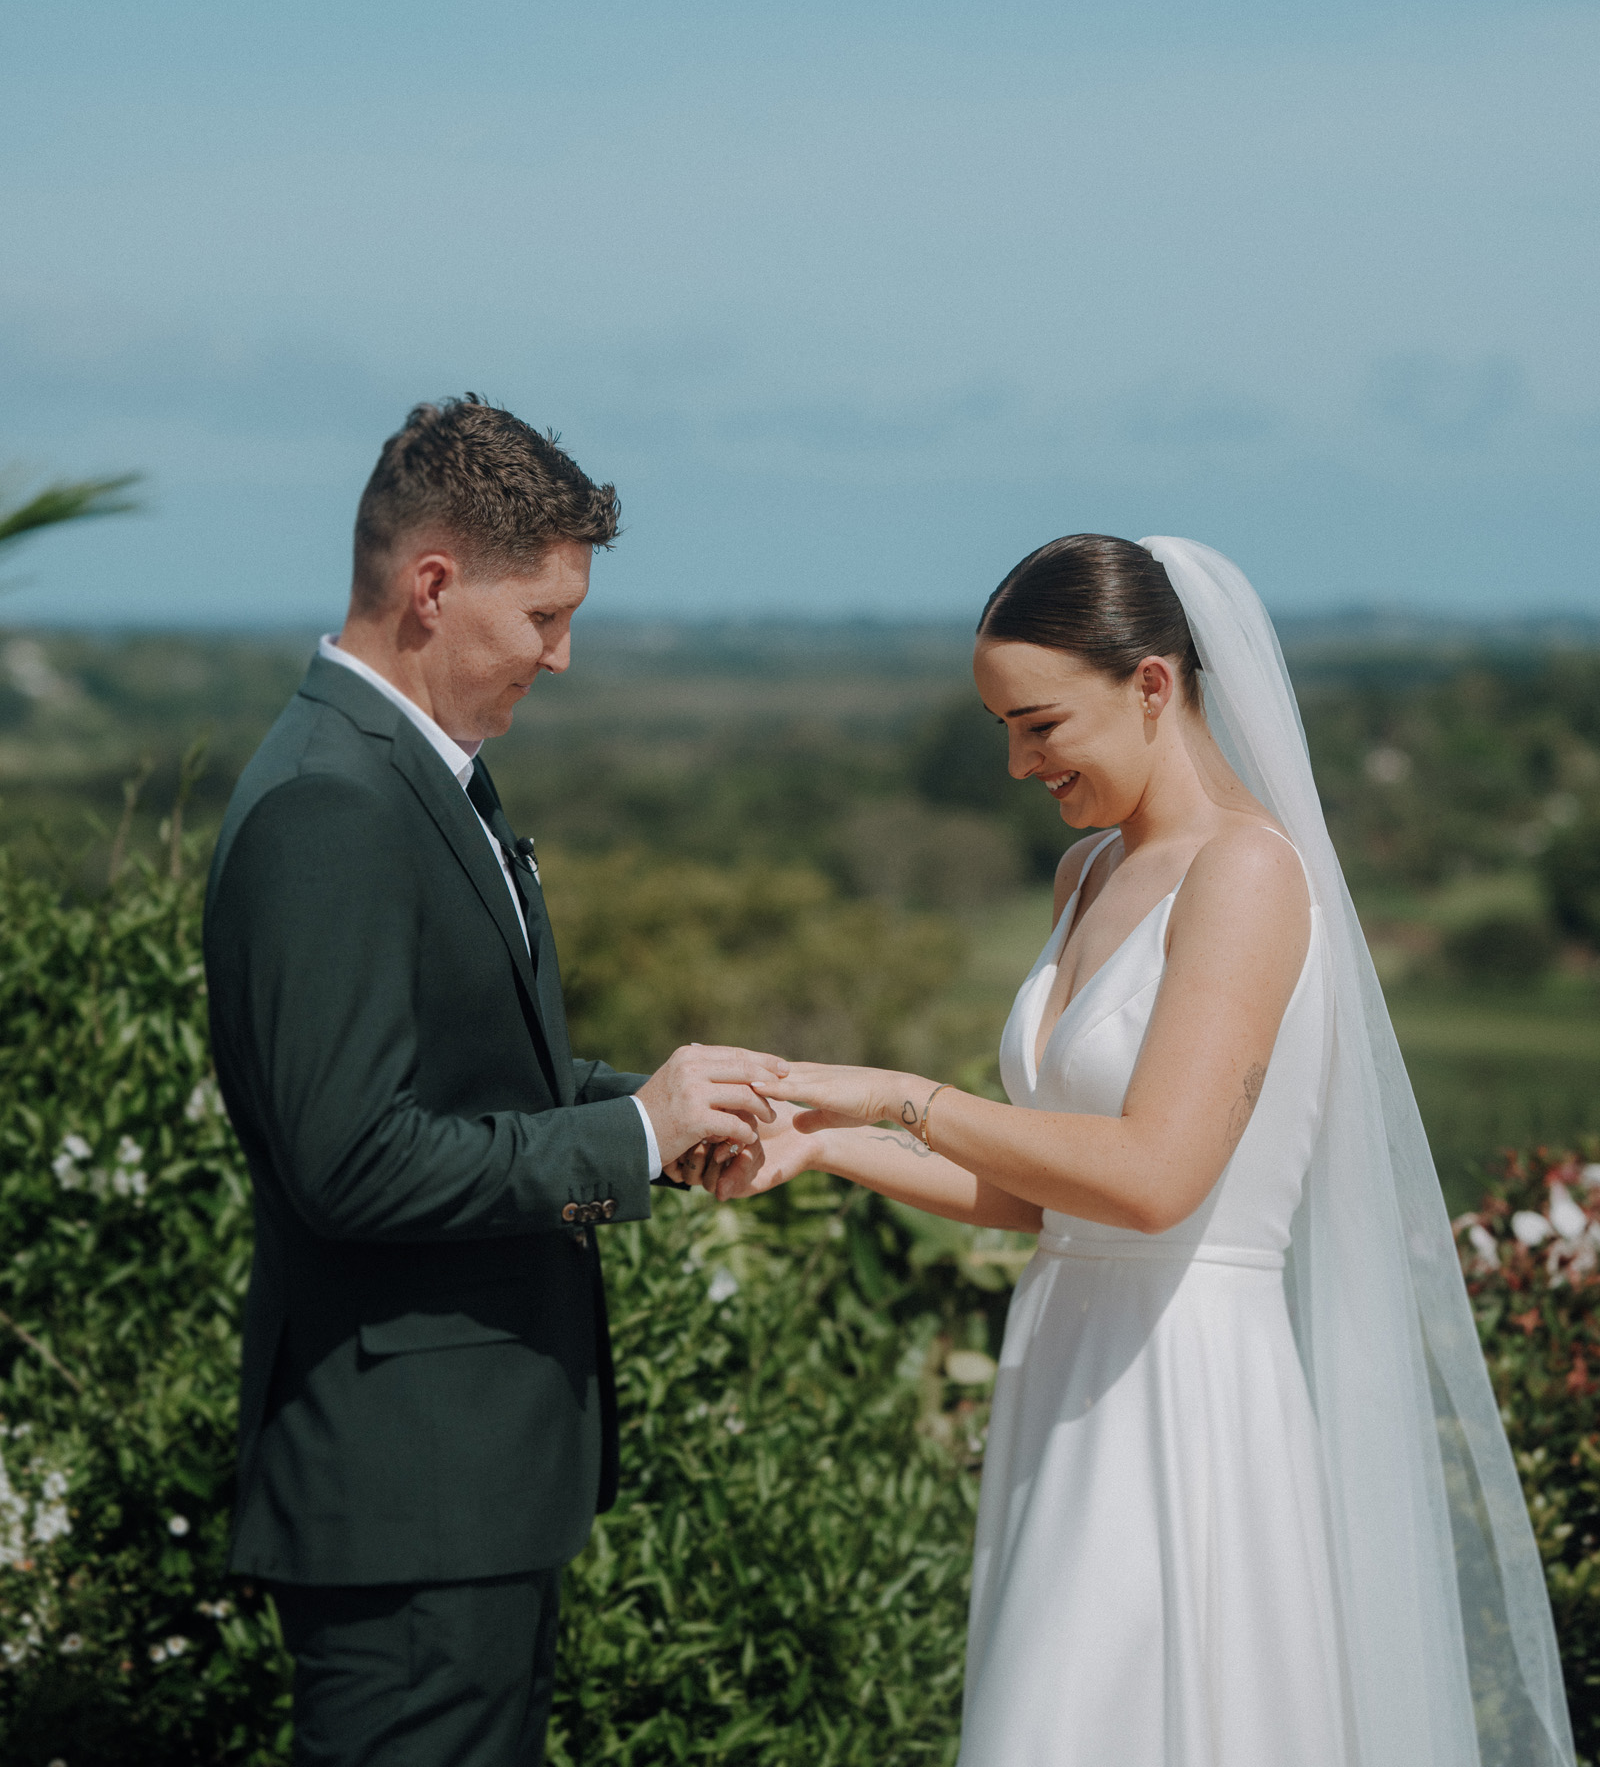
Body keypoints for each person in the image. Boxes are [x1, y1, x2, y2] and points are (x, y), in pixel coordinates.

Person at [715, 534, 1575, 1767]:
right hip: (1067, 1363)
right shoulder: (1088, 871)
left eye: (1039, 723)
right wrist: (818, 1144)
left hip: (1183, 1379)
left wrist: (900, 1094)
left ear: (1154, 686)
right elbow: (1044, 1195)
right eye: (1003, 729)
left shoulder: (1248, 875)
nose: (1018, 762)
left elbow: (1157, 1180)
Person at [203, 397, 784, 1767]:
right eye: (543, 618)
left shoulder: (413, 773)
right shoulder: (330, 805)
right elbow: (351, 1160)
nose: (562, 657)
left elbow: (472, 1076)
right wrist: (629, 1138)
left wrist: (662, 1107)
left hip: (465, 1495)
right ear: (433, 587)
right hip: (407, 1496)